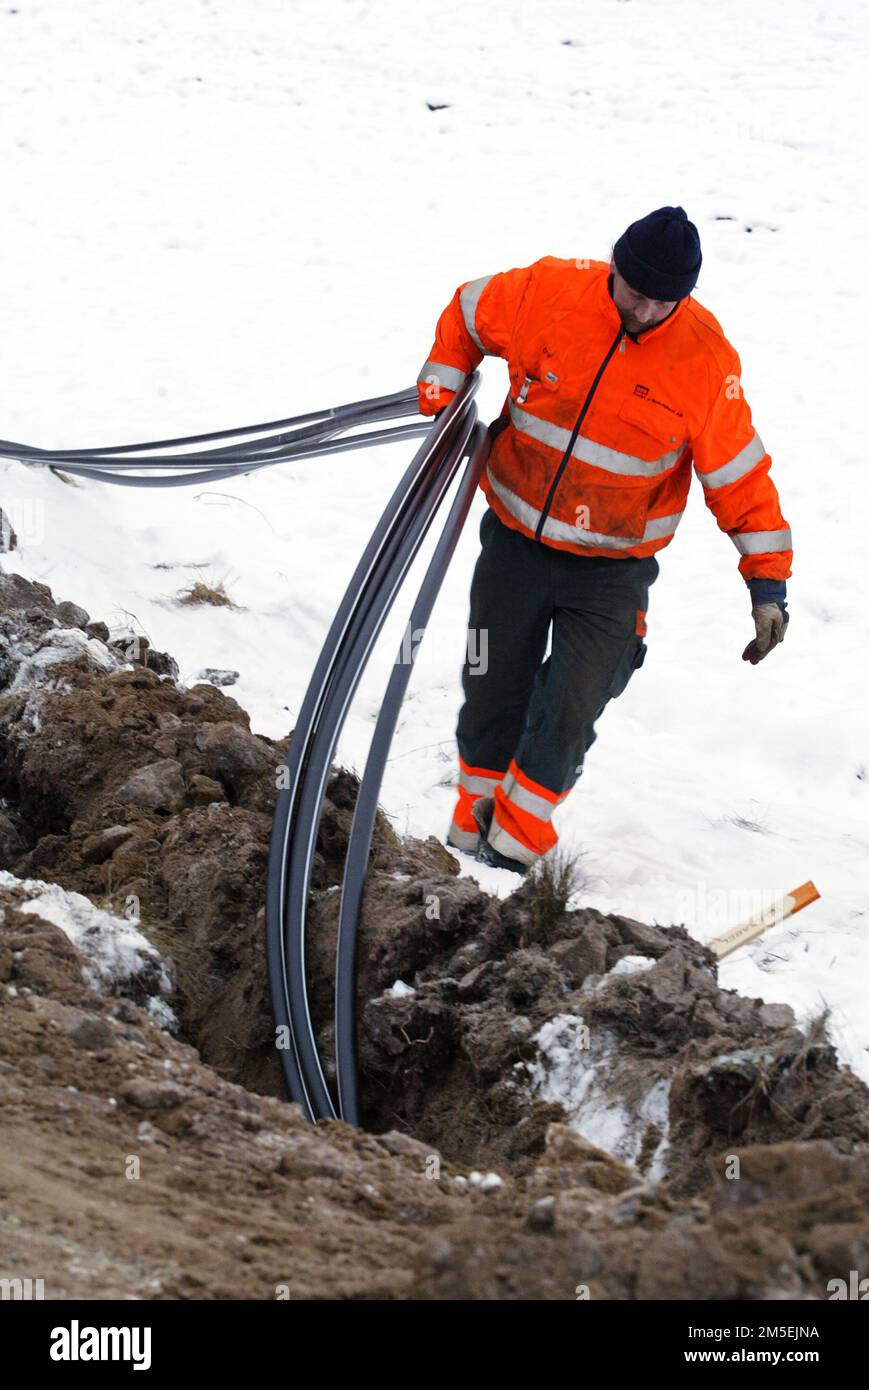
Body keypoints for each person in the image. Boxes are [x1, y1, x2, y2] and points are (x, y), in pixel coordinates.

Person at [416, 206, 791, 875]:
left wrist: (766, 583)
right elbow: (469, 310)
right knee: (489, 686)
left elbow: (737, 474)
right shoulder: (547, 292)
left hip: (611, 572)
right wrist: (443, 376)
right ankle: (469, 836)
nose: (643, 309)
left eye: (661, 300)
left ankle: (515, 842)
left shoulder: (704, 360)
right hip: (513, 545)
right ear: (612, 267)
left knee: (571, 704)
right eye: (633, 291)